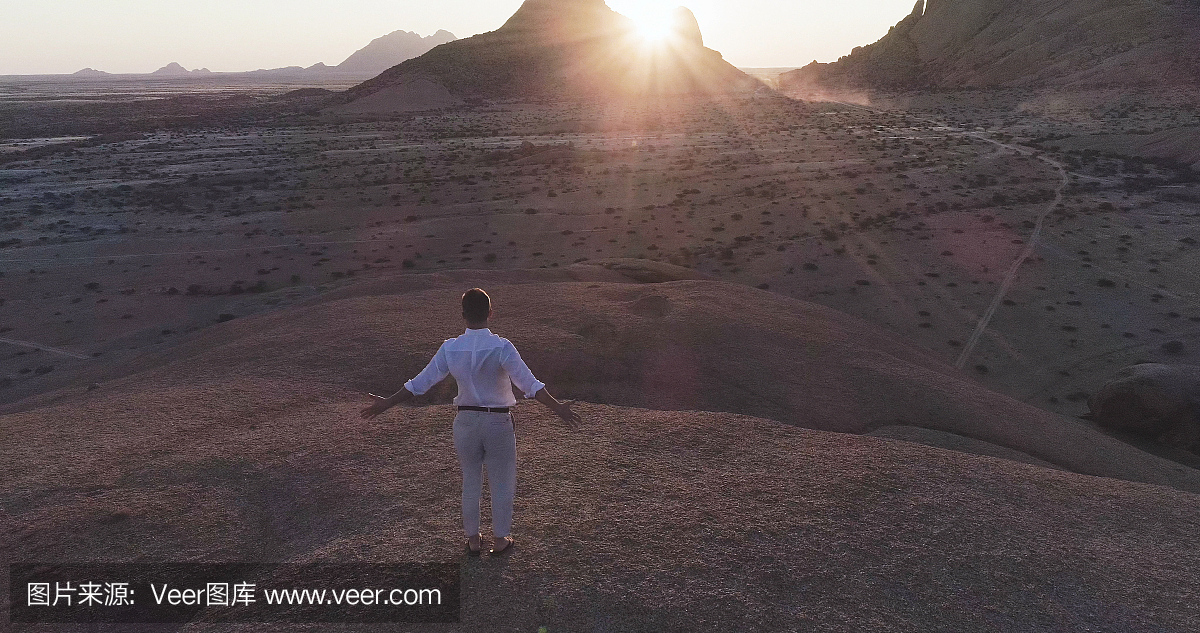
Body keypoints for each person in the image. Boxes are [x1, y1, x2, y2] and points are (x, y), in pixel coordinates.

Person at [360, 288, 581, 556]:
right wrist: (558, 408)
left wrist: (386, 403)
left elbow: (420, 383)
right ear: (490, 313)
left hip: (465, 422)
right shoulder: (502, 347)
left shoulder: (450, 348)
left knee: (470, 480)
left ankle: (473, 540)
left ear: (463, 315)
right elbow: (529, 384)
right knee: (502, 481)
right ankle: (500, 540)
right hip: (498, 422)